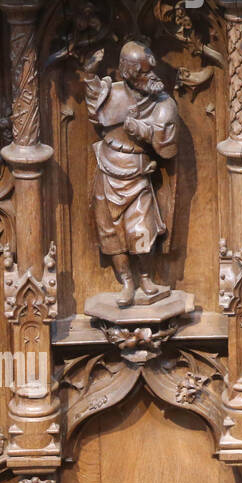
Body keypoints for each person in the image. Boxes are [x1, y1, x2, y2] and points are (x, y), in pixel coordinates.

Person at [84, 41, 178, 307]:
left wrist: (142, 129)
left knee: (141, 230)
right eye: (143, 73)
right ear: (127, 72)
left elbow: (168, 144)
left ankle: (147, 279)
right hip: (108, 169)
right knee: (111, 233)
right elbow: (95, 111)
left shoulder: (163, 103)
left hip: (138, 174)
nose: (150, 77)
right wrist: (90, 76)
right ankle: (126, 282)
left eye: (151, 71)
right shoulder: (111, 92)